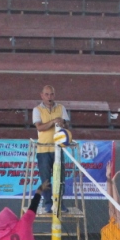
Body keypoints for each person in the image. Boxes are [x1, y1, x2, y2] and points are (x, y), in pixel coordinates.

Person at [32, 85, 70, 213]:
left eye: (51, 94)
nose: (49, 97)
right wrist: (53, 121)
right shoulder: (37, 110)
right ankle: (48, 203)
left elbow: (67, 125)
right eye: (47, 94)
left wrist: (62, 123)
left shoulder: (61, 108)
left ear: (55, 95)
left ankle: (59, 202)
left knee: (61, 177)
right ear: (41, 95)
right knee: (46, 178)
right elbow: (39, 127)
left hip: (58, 149)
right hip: (44, 149)